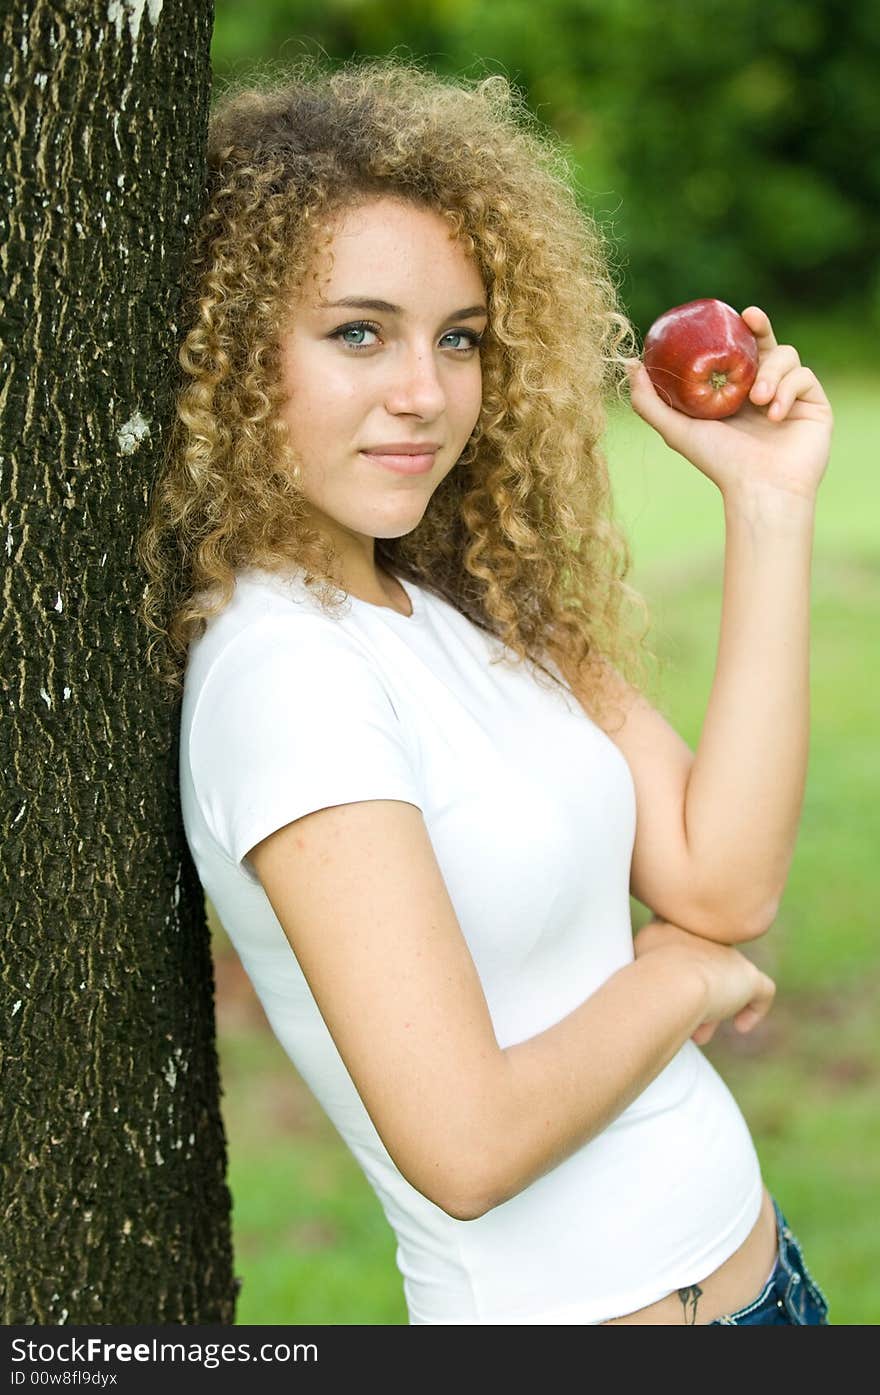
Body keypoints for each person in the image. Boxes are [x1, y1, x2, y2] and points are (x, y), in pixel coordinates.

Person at [138, 56, 833, 1325]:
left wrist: (770, 507)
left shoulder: (459, 597)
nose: (425, 393)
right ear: (230, 358)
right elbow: (462, 1147)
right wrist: (680, 979)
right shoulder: (286, 677)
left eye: (457, 338)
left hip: (761, 1289)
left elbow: (723, 879)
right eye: (358, 332)